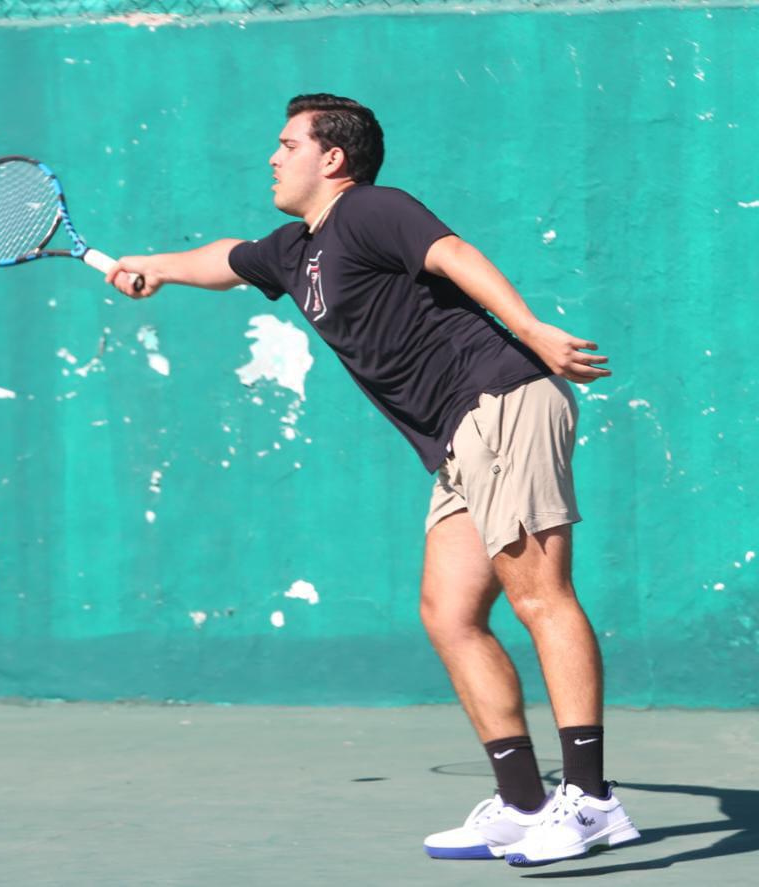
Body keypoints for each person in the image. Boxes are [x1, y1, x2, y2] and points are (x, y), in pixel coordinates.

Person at [104, 93, 640, 867]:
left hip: (500, 400)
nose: (273, 157)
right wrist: (152, 266)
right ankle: (525, 804)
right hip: (455, 438)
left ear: (333, 158)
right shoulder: (296, 250)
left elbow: (453, 254)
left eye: (288, 144)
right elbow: (226, 258)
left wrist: (531, 330)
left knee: (539, 595)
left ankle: (590, 800)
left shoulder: (371, 210)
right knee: (450, 614)